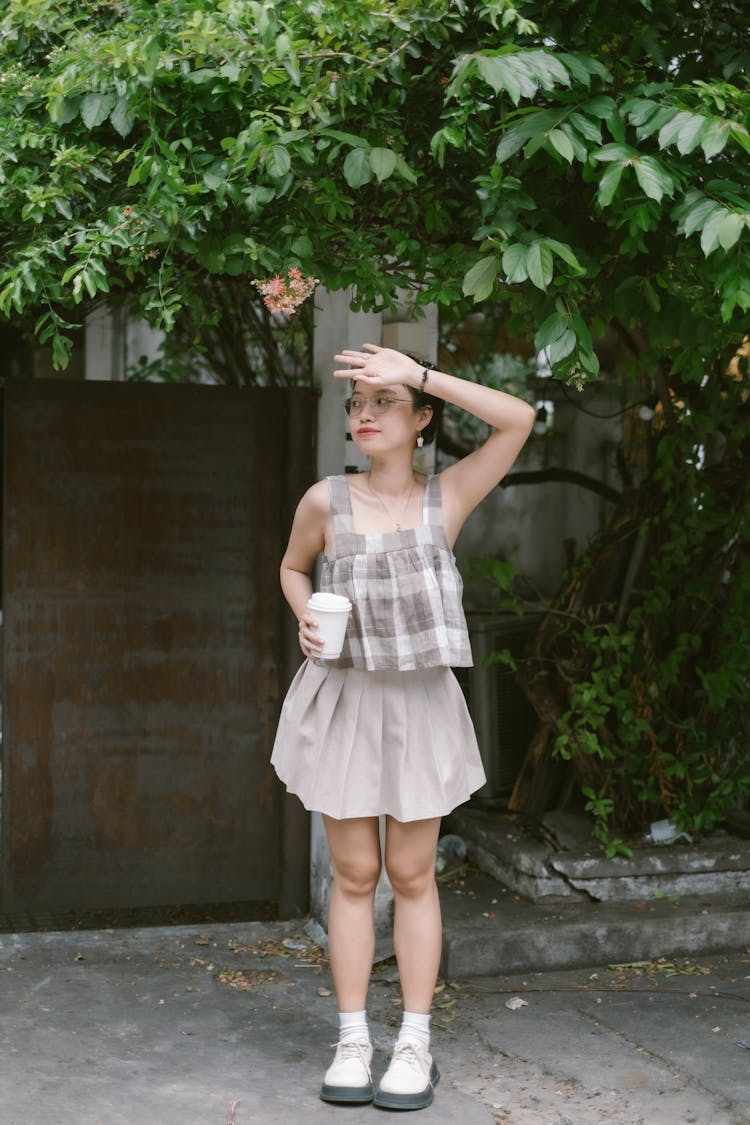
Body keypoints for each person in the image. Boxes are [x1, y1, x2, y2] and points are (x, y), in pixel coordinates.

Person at [271, 343, 535, 1111]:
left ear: (422, 419)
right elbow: (292, 568)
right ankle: (353, 1037)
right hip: (346, 700)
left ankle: (414, 1041)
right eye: (357, 403)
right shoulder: (326, 499)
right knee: (355, 874)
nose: (363, 413)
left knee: (413, 875)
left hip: (421, 707)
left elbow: (518, 419)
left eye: (382, 401)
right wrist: (304, 622)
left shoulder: (446, 496)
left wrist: (414, 371)